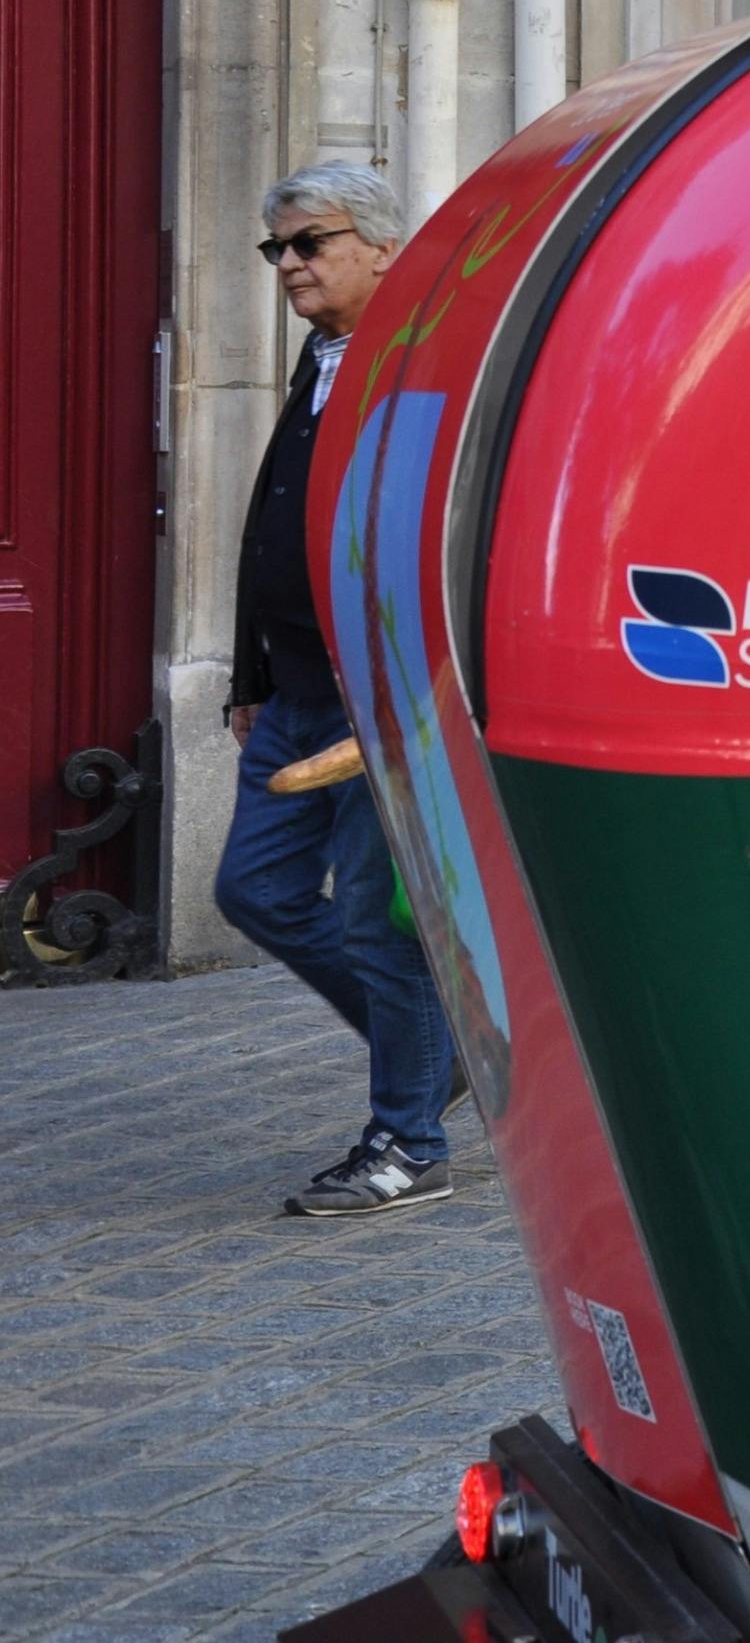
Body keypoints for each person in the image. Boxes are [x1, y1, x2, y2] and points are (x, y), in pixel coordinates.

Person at [218, 163, 464, 1217]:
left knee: (377, 920)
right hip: (299, 690)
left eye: (308, 243)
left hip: (381, 694)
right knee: (255, 891)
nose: (289, 265)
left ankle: (406, 1138)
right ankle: (437, 1055)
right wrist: (251, 673)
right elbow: (275, 515)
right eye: (277, 249)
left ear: (380, 245)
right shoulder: (321, 360)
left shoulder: (418, 362)